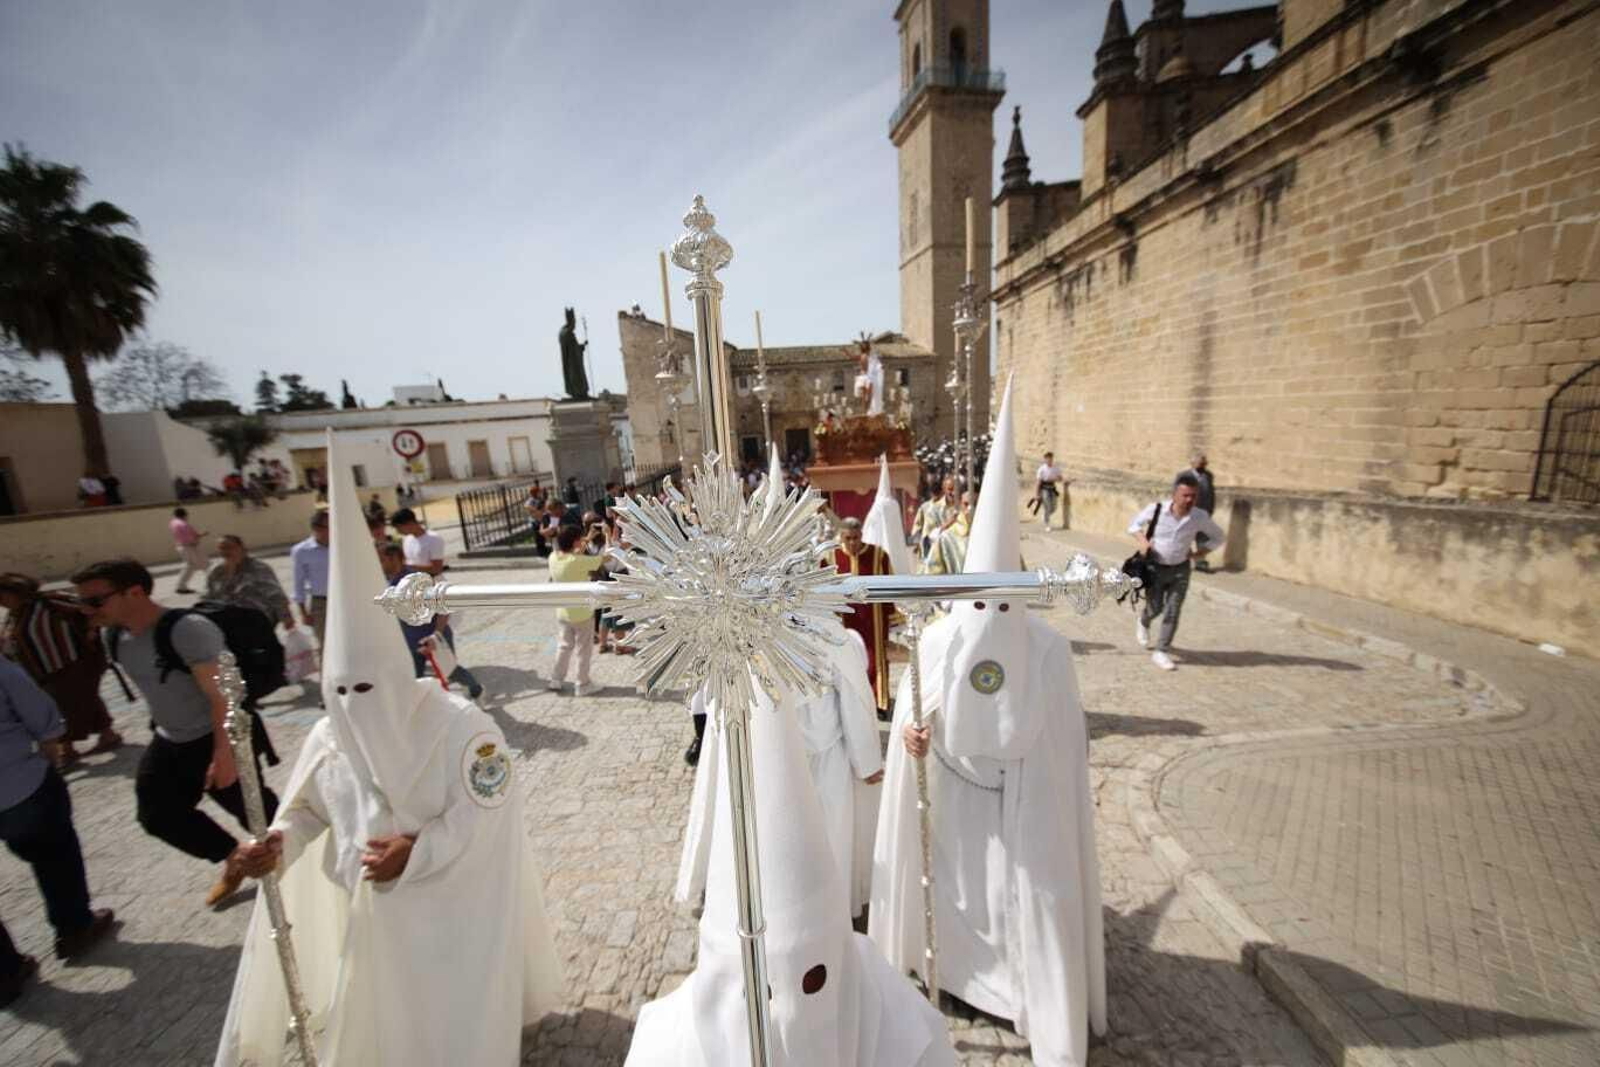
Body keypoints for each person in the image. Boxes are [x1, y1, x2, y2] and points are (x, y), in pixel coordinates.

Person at [213, 441, 563, 1066]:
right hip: (369, 912)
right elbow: (312, 812)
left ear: (396, 676)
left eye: (366, 687)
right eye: (339, 691)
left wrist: (418, 849)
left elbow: (491, 808)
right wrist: (278, 842)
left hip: (452, 907)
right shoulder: (329, 737)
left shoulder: (463, 727)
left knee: (452, 1019)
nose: (354, 705)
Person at [871, 381, 1107, 1067]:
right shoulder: (941, 637)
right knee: (959, 898)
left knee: (1019, 905)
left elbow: (1067, 744)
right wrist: (912, 735)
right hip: (952, 804)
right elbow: (914, 712)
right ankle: (957, 980)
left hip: (1022, 810)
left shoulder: (1050, 652)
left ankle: (1020, 993)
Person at [629, 665, 954, 1065]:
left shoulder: (899, 1022)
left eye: (813, 980)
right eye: (762, 992)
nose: (791, 1017)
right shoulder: (663, 1047)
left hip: (821, 785)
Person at [71, 558, 280, 908]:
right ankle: (235, 859)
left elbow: (225, 696)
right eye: (83, 602)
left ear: (134, 592)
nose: (86, 610)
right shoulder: (116, 635)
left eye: (95, 601)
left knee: (259, 815)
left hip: (219, 737)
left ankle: (309, 863)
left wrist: (224, 754)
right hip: (171, 739)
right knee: (158, 814)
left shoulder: (188, 630)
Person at [676, 620, 882, 919]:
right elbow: (854, 694)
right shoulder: (828, 631)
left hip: (798, 752)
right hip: (794, 750)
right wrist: (867, 761)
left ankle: (790, 905)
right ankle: (814, 907)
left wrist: (867, 761)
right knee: (818, 832)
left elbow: (708, 697)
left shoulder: (739, 626)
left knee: (780, 834)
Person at [0, 658, 117, 1006]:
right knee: (53, 851)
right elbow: (38, 711)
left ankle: (4, 974)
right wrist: (51, 748)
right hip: (19, 784)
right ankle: (74, 927)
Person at [0, 573, 122, 765]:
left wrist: (91, 630)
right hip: (45, 669)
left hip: (73, 662)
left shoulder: (52, 601)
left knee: (65, 706)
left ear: (15, 591)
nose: (2, 603)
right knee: (85, 698)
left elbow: (90, 611)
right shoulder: (16, 613)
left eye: (2, 596)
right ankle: (108, 735)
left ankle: (66, 749)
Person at [1127, 473, 1226, 671]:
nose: (1189, 500)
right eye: (1185, 495)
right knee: (1155, 607)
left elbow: (1218, 537)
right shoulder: (1156, 510)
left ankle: (1161, 650)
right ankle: (1144, 620)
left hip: (1181, 568)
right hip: (1155, 567)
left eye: (1193, 496)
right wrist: (1143, 541)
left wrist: (1199, 554)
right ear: (1175, 495)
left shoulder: (1199, 517)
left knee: (1173, 609)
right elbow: (1133, 525)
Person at [378, 545, 485, 699]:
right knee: (416, 676)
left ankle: (476, 690)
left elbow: (443, 608)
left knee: (450, 670)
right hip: (410, 640)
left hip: (432, 636)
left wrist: (437, 635)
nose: (378, 564)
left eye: (381, 559)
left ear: (394, 558)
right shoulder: (386, 580)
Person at [546, 526, 599, 695]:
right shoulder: (578, 561)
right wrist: (606, 535)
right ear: (575, 542)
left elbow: (574, 557)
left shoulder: (553, 557)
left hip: (563, 611)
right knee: (584, 649)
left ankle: (556, 679)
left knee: (564, 646)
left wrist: (587, 539)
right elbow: (602, 559)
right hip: (582, 613)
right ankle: (582, 684)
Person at [205, 536, 296, 633]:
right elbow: (209, 596)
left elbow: (275, 594)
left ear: (242, 548)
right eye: (222, 548)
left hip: (257, 619)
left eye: (229, 547)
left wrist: (286, 617)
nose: (226, 551)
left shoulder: (258, 568)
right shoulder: (216, 571)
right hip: (227, 621)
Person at [291, 510, 331, 656]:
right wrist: (303, 612)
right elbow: (298, 583)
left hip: (347, 601)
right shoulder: (301, 551)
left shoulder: (342, 546)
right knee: (326, 645)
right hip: (321, 604)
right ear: (317, 528)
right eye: (329, 526)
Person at [1178, 453, 1218, 571]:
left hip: (1203, 513)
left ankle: (1200, 562)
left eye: (1205, 463)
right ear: (1193, 464)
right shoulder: (1184, 476)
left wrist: (1210, 510)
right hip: (1187, 512)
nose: (1204, 465)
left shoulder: (1208, 476)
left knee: (1203, 538)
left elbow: (1210, 493)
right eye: (1201, 463)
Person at [910, 476, 958, 570]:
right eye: (950, 489)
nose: (954, 493)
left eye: (957, 489)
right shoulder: (932, 509)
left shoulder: (964, 506)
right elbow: (929, 535)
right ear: (943, 490)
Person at [170, 507, 208, 594]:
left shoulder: (173, 523)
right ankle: (181, 586)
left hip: (182, 546)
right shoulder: (183, 524)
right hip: (189, 546)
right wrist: (195, 540)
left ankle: (181, 586)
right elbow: (189, 537)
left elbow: (189, 535)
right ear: (184, 515)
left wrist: (198, 535)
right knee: (202, 564)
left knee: (193, 565)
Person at [1035, 451, 1064, 529]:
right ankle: (1047, 524)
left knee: (1054, 507)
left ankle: (1045, 515)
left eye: (1050, 459)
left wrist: (1060, 479)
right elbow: (1038, 482)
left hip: (1052, 488)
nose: (1049, 460)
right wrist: (1037, 494)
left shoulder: (1055, 468)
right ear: (1045, 459)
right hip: (1044, 489)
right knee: (1047, 506)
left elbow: (1060, 478)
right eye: (1047, 459)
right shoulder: (1042, 469)